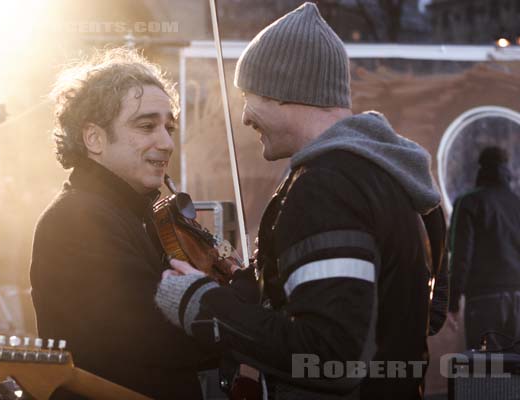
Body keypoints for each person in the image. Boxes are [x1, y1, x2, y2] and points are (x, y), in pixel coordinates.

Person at [154, 3, 447, 399]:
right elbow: (428, 314)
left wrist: (201, 304)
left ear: (285, 90)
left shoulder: (327, 187)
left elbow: (332, 357)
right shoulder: (388, 174)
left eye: (249, 95)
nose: (244, 117)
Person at [29, 48, 215, 400]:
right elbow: (156, 339)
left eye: (169, 127)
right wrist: (243, 318)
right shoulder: (75, 220)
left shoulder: (139, 212)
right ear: (94, 138)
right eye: (147, 126)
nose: (166, 143)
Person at [448, 146, 520, 350]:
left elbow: (461, 255)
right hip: (518, 299)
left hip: (484, 300)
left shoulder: (469, 203)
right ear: (506, 169)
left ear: (480, 169)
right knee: (515, 371)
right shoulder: (517, 204)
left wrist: (452, 302)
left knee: (485, 372)